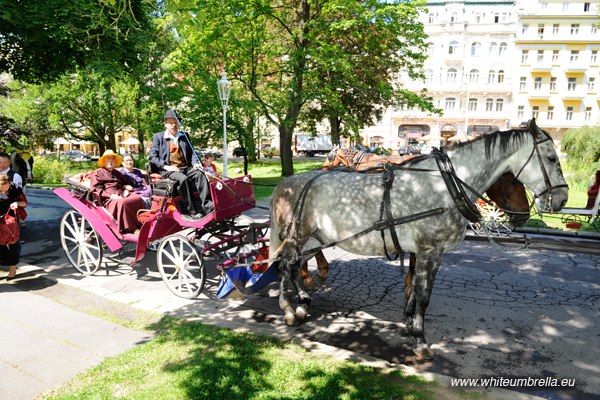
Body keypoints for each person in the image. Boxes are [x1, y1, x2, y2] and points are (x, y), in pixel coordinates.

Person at [149, 109, 212, 221]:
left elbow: (192, 152)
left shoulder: (184, 136)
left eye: (176, 122)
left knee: (200, 174)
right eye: (171, 122)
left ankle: (207, 205)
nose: (174, 125)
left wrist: (195, 163)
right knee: (183, 180)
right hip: (169, 169)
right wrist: (166, 166)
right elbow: (152, 157)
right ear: (165, 123)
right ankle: (193, 211)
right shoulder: (158, 137)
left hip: (185, 167)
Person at [90, 150, 145, 234]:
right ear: (103, 161)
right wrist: (110, 196)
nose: (110, 161)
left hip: (122, 193)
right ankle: (130, 228)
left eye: (112, 159)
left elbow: (125, 181)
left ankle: (140, 223)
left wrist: (126, 188)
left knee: (137, 198)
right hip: (108, 198)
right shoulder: (97, 172)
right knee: (123, 203)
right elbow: (95, 188)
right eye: (108, 159)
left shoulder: (117, 173)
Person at [0, 173, 27, 280]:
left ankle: (12, 270)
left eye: (4, 188)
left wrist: (17, 203)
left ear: (9, 184)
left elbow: (24, 203)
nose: (2, 191)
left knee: (13, 246)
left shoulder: (15, 189)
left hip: (10, 222)